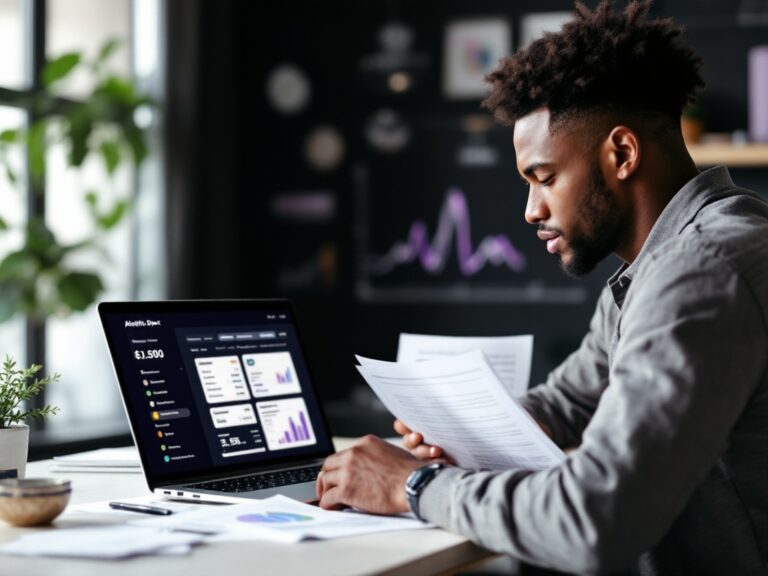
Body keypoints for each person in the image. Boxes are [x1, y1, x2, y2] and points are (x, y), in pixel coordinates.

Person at [316, 1, 768, 573]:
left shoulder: (700, 273)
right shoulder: (668, 262)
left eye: (545, 178)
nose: (531, 210)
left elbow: (596, 518)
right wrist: (456, 432)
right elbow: (565, 403)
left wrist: (415, 484)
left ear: (622, 154)